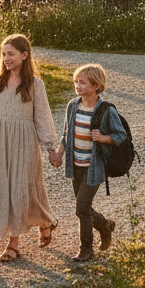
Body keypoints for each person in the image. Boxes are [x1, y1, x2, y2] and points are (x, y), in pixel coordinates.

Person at [0, 33, 58, 262]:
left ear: (24, 56)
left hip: (25, 141)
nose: (6, 58)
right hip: (1, 141)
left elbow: (42, 116)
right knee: (6, 188)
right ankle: (21, 238)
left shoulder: (35, 84)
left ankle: (35, 228)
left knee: (26, 188)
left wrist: (50, 147)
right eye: (4, 54)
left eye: (11, 54)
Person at [49, 63, 128, 263]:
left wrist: (103, 138)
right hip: (76, 165)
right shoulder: (73, 105)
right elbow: (67, 134)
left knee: (81, 208)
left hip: (95, 168)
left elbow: (120, 135)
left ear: (96, 86)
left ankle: (86, 249)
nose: (78, 86)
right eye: (76, 82)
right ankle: (105, 225)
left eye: (83, 82)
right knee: (83, 207)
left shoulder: (106, 110)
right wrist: (59, 153)